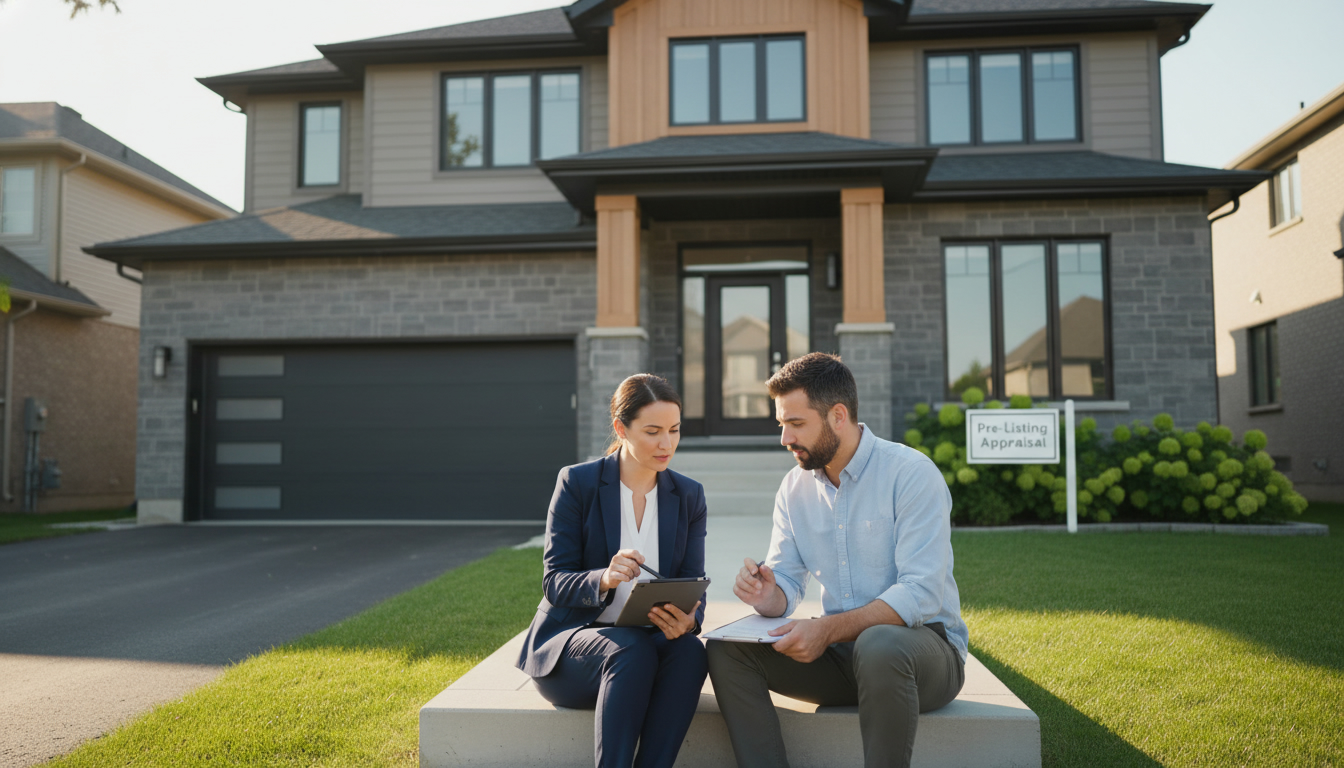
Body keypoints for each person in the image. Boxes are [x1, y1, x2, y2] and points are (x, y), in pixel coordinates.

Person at [706, 353, 968, 768]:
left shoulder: (912, 474)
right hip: (843, 656)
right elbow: (787, 586)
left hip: (922, 654)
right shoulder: (793, 488)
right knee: (726, 650)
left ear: (838, 415)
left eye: (795, 424)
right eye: (781, 425)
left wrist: (826, 629)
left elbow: (920, 593)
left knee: (880, 642)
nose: (784, 439)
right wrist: (767, 592)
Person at [516, 373, 709, 768]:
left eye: (674, 430)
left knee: (690, 652)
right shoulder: (578, 483)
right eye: (653, 431)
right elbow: (555, 581)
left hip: (644, 648)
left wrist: (688, 620)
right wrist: (603, 577)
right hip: (572, 649)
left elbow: (694, 584)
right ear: (621, 428)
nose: (666, 443)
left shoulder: (688, 495)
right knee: (630, 648)